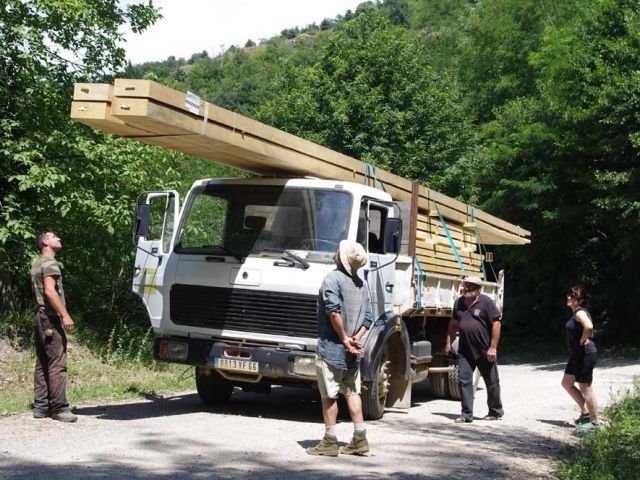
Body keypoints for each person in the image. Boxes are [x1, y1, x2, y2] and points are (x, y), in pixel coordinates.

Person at [306, 240, 373, 456]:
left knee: (329, 395)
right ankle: (360, 438)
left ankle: (329, 441)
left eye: (338, 252)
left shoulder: (332, 279)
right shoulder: (361, 284)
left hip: (332, 348)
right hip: (352, 353)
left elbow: (333, 312)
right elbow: (368, 319)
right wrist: (356, 339)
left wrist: (345, 338)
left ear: (341, 258)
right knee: (353, 392)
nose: (335, 253)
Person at [30, 231, 77, 422]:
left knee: (42, 362)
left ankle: (41, 407)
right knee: (57, 363)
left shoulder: (36, 262)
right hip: (50, 317)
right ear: (45, 242)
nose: (59, 238)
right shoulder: (50, 263)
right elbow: (50, 291)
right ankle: (59, 408)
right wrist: (65, 315)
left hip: (39, 316)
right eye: (54, 236)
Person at [445, 275, 504, 423]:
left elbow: (496, 324)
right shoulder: (459, 303)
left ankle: (495, 411)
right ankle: (466, 414)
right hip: (465, 351)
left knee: (491, 382)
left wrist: (493, 347)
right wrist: (448, 343)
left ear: (479, 288)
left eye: (470, 285)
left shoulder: (486, 302)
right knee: (463, 380)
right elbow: (453, 324)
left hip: (484, 350)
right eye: (466, 285)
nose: (466, 288)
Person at [561, 286, 598, 436]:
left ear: (580, 300)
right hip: (577, 355)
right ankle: (585, 413)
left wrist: (583, 339)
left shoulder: (580, 312)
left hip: (585, 354)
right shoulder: (576, 313)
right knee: (567, 383)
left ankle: (594, 423)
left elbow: (589, 326)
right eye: (569, 295)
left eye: (573, 296)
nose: (569, 298)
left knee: (586, 388)